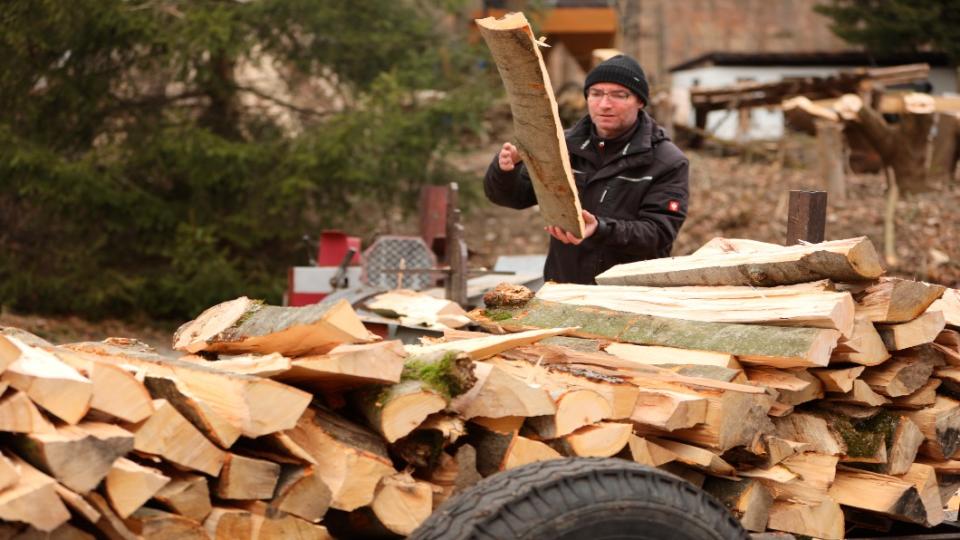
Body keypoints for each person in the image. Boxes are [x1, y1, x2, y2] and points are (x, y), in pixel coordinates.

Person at [484, 54, 689, 284]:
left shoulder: (667, 161)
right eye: (596, 93)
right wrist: (506, 170)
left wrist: (601, 228)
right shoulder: (562, 146)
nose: (605, 104)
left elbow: (658, 234)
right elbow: (515, 198)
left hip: (631, 297)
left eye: (619, 95)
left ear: (640, 101)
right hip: (564, 290)